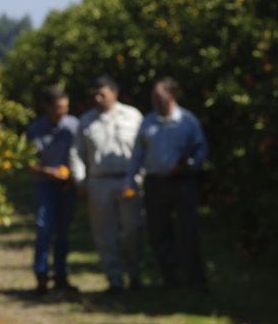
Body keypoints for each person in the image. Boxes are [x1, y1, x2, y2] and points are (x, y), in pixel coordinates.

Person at [125, 77, 209, 290]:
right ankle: (170, 279)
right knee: (158, 232)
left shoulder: (187, 121)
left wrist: (188, 165)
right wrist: (130, 180)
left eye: (159, 95)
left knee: (187, 231)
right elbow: (138, 154)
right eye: (154, 96)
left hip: (181, 181)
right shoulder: (149, 121)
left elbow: (201, 150)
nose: (155, 99)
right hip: (155, 183)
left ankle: (195, 279)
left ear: (171, 95)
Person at [72, 76, 144, 294]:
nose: (98, 98)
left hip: (128, 180)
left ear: (115, 93)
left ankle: (134, 273)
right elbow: (76, 154)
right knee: (105, 233)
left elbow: (143, 149)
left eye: (102, 94)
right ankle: (114, 279)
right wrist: (81, 180)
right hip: (99, 181)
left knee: (132, 230)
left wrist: (141, 177)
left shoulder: (133, 116)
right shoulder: (86, 121)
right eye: (95, 94)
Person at [27, 86, 81, 295]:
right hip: (45, 184)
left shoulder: (74, 126)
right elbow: (29, 161)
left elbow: (80, 154)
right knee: (44, 228)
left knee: (63, 231)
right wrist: (47, 172)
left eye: (66, 108)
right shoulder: (36, 129)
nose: (63, 112)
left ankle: (61, 275)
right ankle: (41, 275)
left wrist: (72, 177)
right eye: (59, 108)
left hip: (67, 185)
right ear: (48, 108)